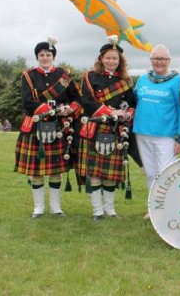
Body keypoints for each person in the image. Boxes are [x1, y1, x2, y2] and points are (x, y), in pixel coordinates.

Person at [14, 37, 82, 218]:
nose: (45, 58)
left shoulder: (63, 75)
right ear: (37, 56)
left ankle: (56, 208)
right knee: (36, 172)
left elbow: (77, 98)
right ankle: (38, 208)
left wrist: (70, 108)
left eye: (48, 54)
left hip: (59, 127)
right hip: (36, 126)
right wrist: (52, 110)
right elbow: (27, 102)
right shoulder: (28, 76)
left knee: (55, 171)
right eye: (42, 55)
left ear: (53, 56)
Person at [78, 36, 136, 220]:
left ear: (120, 61)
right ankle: (97, 211)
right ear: (101, 59)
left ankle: (110, 210)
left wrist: (127, 113)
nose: (111, 61)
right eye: (108, 57)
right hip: (94, 128)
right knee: (95, 173)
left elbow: (132, 103)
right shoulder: (90, 77)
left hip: (116, 131)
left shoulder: (125, 81)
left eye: (115, 58)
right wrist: (112, 112)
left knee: (110, 174)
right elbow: (87, 102)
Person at [133, 44, 180, 220]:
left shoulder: (176, 81)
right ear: (150, 60)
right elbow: (135, 102)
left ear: (169, 61)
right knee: (150, 173)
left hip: (167, 135)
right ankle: (154, 209)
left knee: (166, 173)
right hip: (142, 133)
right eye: (155, 58)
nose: (159, 62)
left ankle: (171, 210)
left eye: (162, 59)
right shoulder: (142, 79)